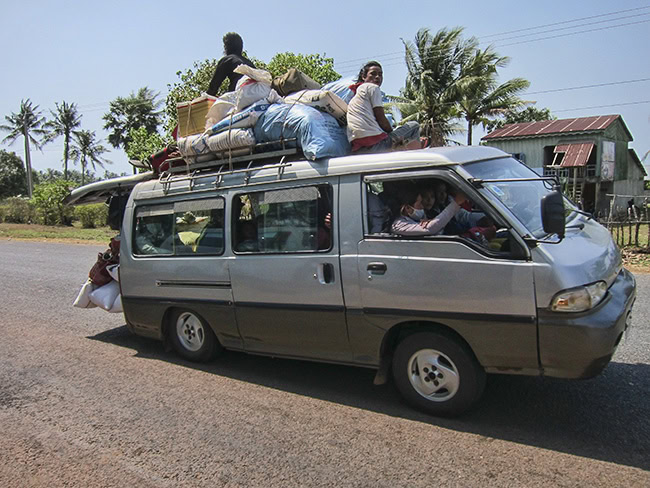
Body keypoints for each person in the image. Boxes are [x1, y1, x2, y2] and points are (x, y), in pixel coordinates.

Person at [347, 61, 421, 153]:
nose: (377, 77)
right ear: (363, 76)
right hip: (377, 145)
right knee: (414, 126)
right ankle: (416, 158)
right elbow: (381, 119)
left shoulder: (356, 96)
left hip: (358, 149)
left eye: (380, 75)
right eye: (373, 74)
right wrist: (392, 133)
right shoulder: (372, 88)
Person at [391, 185, 467, 236]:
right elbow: (430, 229)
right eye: (420, 203)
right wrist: (455, 203)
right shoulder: (398, 225)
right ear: (407, 208)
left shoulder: (416, 218)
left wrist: (429, 221)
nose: (422, 206)